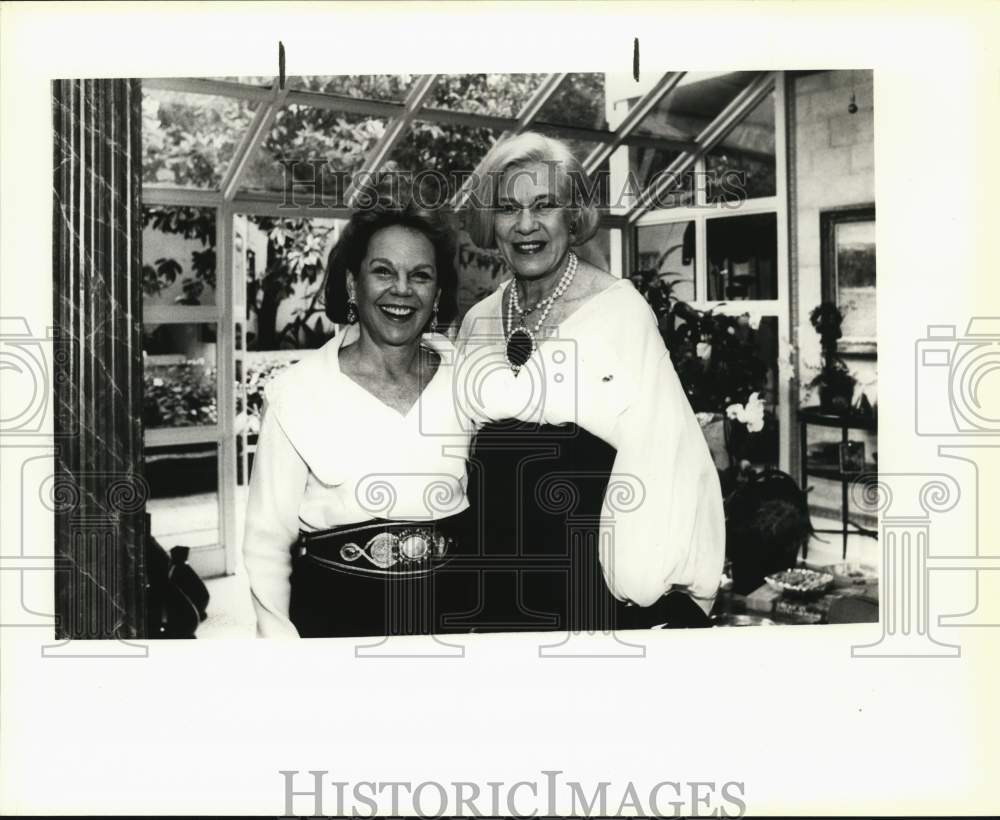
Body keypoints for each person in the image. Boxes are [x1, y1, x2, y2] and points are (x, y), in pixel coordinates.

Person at [455, 132, 725, 631]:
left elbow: (663, 458)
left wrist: (646, 589)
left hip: (590, 583)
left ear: (573, 214)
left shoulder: (620, 310)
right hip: (494, 585)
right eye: (508, 208)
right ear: (490, 221)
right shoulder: (478, 320)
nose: (526, 225)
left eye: (545, 205)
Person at [242, 184, 471, 638]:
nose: (401, 291)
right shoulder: (298, 393)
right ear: (353, 282)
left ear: (438, 290)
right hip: (337, 619)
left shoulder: (469, 381)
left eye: (420, 275)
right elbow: (267, 544)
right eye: (383, 271)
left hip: (453, 617)